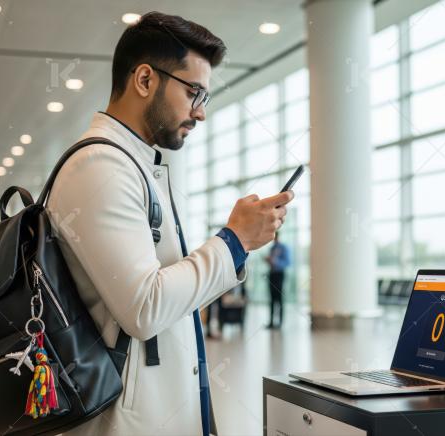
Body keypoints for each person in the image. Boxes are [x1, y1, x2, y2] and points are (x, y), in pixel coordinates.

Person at [47, 12, 293, 435]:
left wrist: (239, 246)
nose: (200, 113)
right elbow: (145, 308)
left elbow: (168, 294)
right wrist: (233, 241)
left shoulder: (135, 164)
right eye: (194, 92)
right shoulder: (99, 165)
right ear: (145, 80)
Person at [265, 233, 291, 329]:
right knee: (271, 299)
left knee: (279, 299)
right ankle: (271, 322)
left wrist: (275, 262)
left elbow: (287, 262)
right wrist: (268, 261)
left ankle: (280, 323)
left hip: (280, 275)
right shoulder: (272, 248)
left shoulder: (283, 248)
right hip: (272, 274)